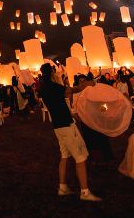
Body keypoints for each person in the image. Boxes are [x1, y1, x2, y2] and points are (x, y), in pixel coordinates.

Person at [39, 63, 101, 202]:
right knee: (81, 157)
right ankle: (85, 192)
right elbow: (75, 89)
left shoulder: (43, 88)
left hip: (57, 126)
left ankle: (62, 187)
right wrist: (91, 82)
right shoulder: (55, 87)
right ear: (52, 73)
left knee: (64, 155)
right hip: (66, 125)